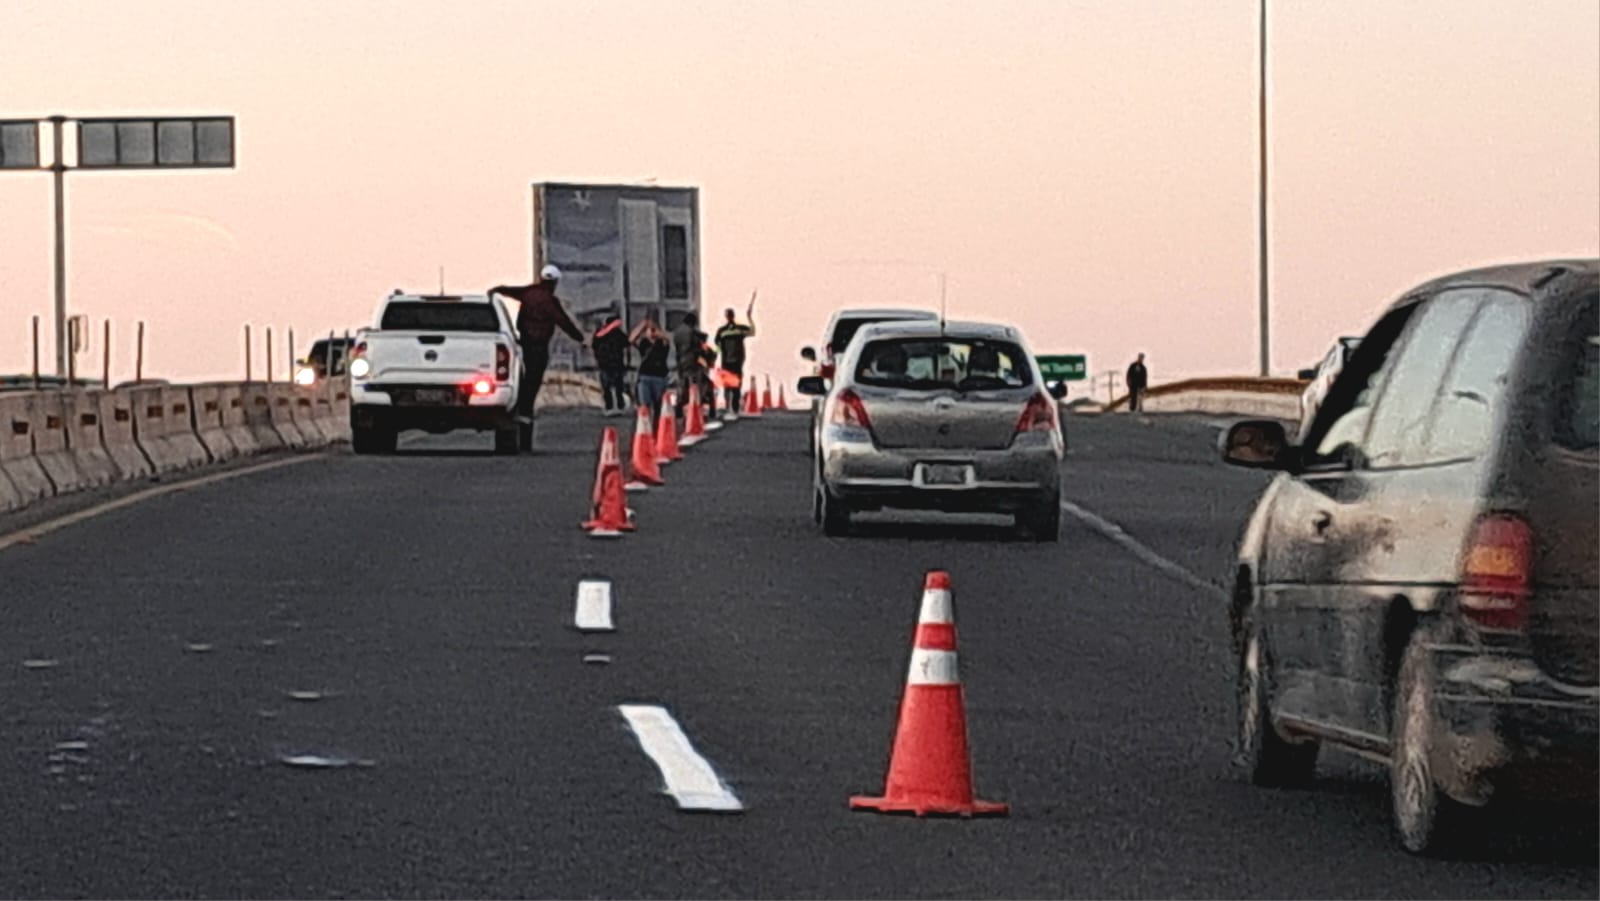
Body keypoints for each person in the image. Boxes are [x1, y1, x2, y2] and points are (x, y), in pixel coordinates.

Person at [489, 264, 585, 451]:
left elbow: (508, 290)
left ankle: (519, 416)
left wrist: (495, 291)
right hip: (538, 349)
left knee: (524, 385)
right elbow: (563, 321)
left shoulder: (528, 293)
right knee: (530, 389)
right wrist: (580, 338)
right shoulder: (550, 301)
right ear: (555, 282)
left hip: (522, 345)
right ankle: (525, 432)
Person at [714, 296, 757, 416]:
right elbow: (717, 346)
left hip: (733, 360)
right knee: (731, 385)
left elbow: (752, 332)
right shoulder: (724, 331)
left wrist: (749, 317)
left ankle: (733, 407)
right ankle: (731, 407)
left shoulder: (731, 330)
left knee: (733, 385)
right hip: (730, 360)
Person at [630, 315, 672, 423]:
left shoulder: (662, 343)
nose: (651, 332)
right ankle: (645, 427)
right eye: (649, 330)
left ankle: (656, 428)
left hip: (659, 377)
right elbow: (631, 339)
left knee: (658, 406)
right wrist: (642, 325)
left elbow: (667, 339)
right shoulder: (644, 343)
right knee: (644, 405)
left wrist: (657, 331)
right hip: (645, 376)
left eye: (653, 329)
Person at [591, 311, 631, 417]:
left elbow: (594, 345)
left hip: (605, 364)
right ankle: (619, 406)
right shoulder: (616, 333)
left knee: (608, 387)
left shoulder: (600, 334)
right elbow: (626, 342)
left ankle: (610, 407)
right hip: (616, 364)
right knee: (618, 386)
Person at [673, 312, 706, 419]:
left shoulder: (677, 331)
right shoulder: (691, 332)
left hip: (680, 361)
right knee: (694, 385)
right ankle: (694, 408)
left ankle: (678, 408)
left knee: (682, 384)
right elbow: (697, 345)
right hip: (691, 360)